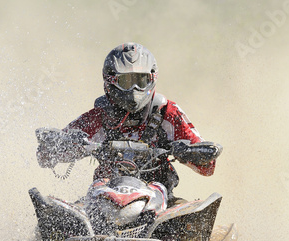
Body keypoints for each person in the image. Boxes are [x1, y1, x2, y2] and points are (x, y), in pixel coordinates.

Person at [37, 42, 221, 204]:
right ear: (110, 80)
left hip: (161, 201)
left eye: (140, 81)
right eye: (126, 81)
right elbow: (44, 157)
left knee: (192, 218)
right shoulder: (98, 117)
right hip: (102, 198)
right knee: (64, 218)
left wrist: (187, 152)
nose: (134, 90)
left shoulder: (167, 112)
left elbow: (208, 167)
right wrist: (66, 143)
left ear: (152, 78)